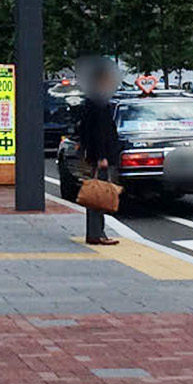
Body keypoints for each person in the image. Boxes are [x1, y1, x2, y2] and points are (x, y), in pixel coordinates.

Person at [74, 62, 122, 246]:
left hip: (95, 154)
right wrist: (102, 155)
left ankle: (95, 233)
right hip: (100, 156)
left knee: (96, 195)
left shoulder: (91, 100)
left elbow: (84, 129)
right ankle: (97, 233)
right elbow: (100, 132)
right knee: (98, 196)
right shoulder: (99, 102)